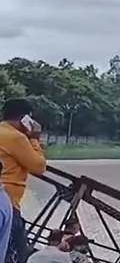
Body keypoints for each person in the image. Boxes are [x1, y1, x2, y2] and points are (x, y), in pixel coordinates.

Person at [0, 98, 46, 263]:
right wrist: (34, 138)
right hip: (8, 202)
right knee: (14, 255)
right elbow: (39, 166)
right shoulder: (16, 138)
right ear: (26, 118)